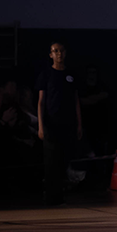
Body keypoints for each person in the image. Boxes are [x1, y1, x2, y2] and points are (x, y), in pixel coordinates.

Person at [36, 42, 83, 206]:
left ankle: (60, 195)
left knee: (63, 160)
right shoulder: (46, 74)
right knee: (51, 161)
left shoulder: (71, 75)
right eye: (55, 51)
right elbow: (41, 102)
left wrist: (79, 124)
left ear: (65, 53)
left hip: (68, 124)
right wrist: (41, 126)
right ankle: (50, 196)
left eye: (61, 51)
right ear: (50, 55)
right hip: (51, 124)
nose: (58, 54)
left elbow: (76, 100)